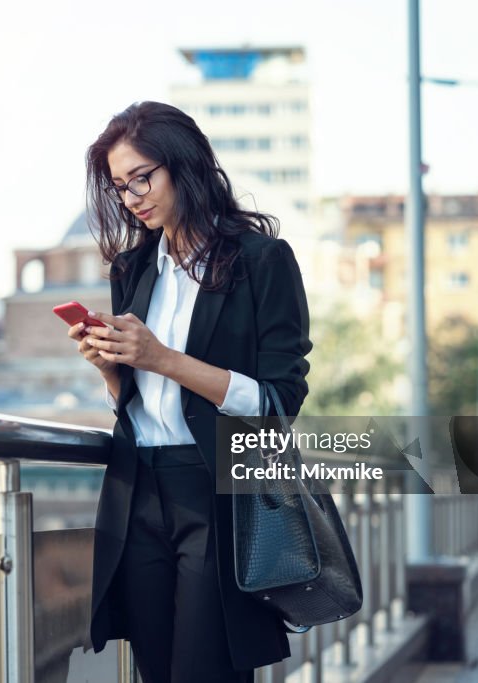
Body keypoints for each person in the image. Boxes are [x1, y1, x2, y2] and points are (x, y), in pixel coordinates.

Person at [65, 101, 312, 683]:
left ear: (185, 165)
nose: (132, 198)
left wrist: (164, 359)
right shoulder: (134, 268)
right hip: (137, 491)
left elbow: (279, 401)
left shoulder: (262, 262)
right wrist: (112, 369)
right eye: (121, 186)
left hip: (218, 490)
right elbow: (141, 401)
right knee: (154, 670)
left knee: (208, 670)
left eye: (142, 178)